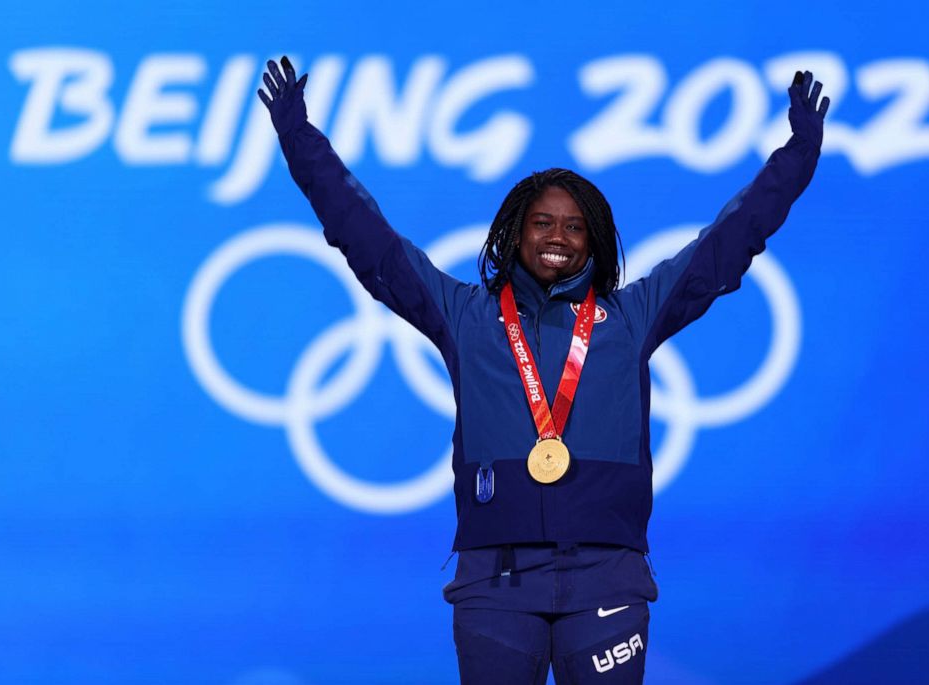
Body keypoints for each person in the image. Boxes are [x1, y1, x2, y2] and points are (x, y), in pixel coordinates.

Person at [258, 55, 829, 685]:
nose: (558, 236)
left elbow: (729, 240)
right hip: (494, 584)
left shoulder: (632, 317)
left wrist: (798, 156)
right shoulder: (466, 316)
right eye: (542, 223)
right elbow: (366, 238)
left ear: (595, 240)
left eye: (575, 226)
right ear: (515, 232)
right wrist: (299, 139)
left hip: (606, 577)